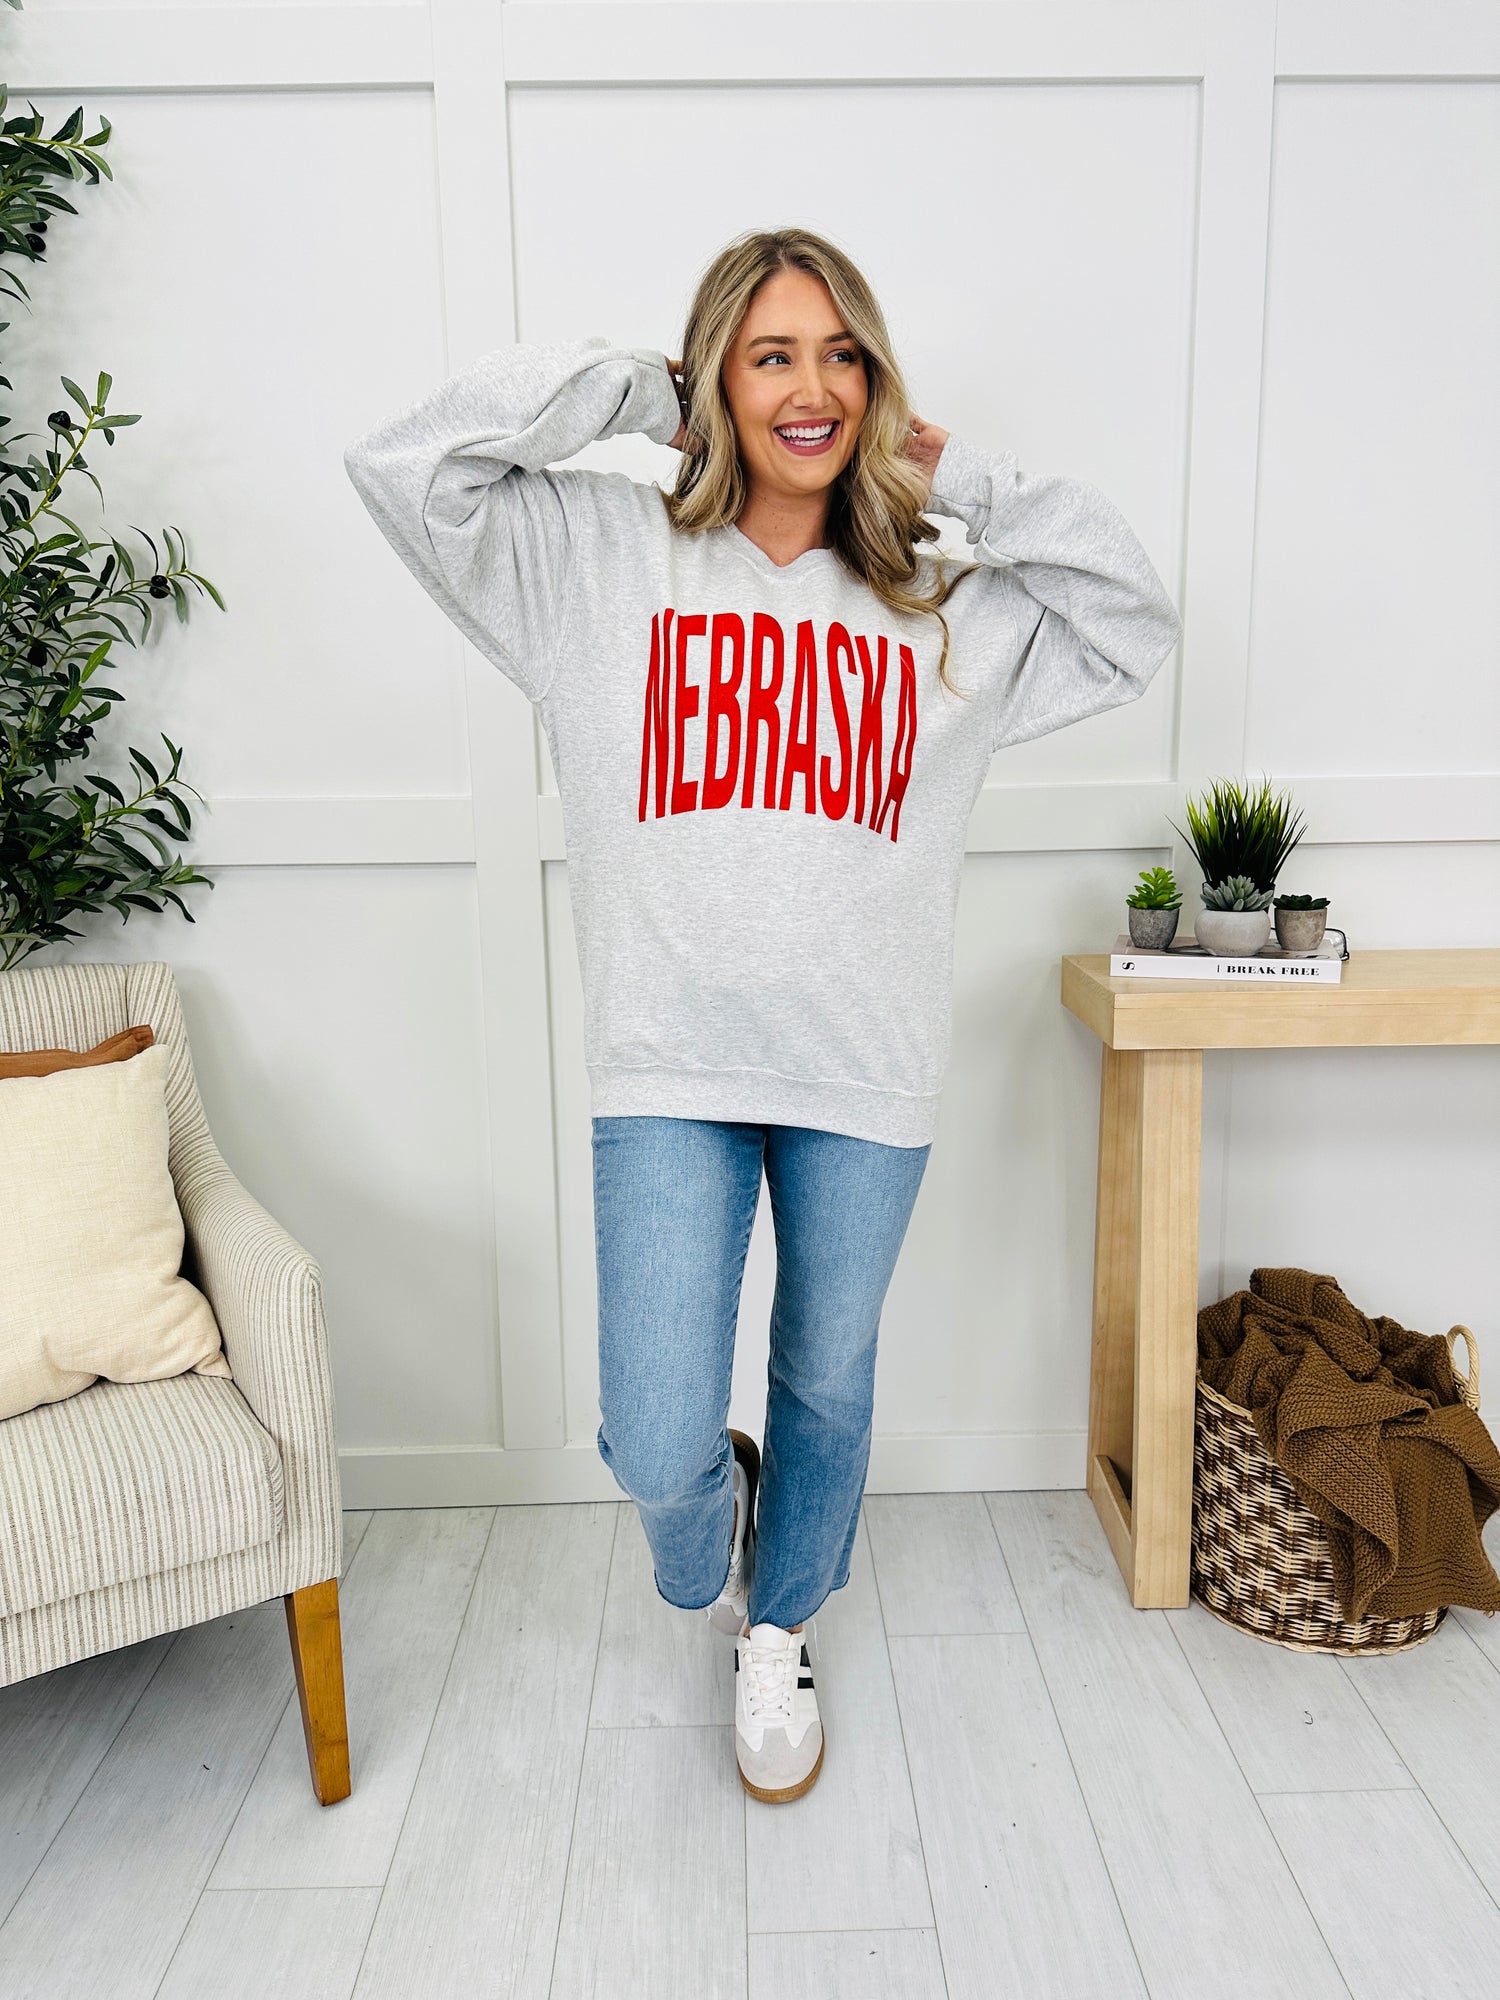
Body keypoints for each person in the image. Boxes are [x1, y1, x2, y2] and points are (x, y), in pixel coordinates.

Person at [342, 224, 1183, 1805]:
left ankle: (782, 1624)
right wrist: (630, 393)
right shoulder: (599, 563)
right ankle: (710, 1539)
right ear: (715, 376)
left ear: (879, 383)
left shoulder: (942, 604)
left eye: (843, 355)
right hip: (668, 1068)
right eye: (772, 354)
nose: (813, 388)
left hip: (865, 1076)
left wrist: (964, 479)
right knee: (657, 1431)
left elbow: (1131, 616)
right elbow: (406, 469)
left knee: (824, 1382)